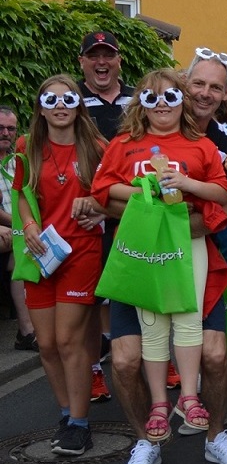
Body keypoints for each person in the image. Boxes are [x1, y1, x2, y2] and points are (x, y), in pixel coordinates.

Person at [92, 69, 227, 464]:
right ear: (139, 102)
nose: (161, 104)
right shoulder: (122, 145)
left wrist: (187, 201)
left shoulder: (201, 145)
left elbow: (221, 197)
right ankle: (147, 440)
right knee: (125, 361)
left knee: (215, 354)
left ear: (182, 101)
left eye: (170, 96)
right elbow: (103, 194)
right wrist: (150, 197)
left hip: (194, 260)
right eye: (151, 97)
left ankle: (216, 435)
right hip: (140, 260)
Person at [13, 76, 106, 455]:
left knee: (69, 340)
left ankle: (80, 425)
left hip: (82, 251)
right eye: (50, 99)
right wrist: (30, 223)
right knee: (47, 344)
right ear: (40, 107)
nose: (59, 105)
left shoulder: (97, 147)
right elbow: (21, 193)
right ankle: (67, 414)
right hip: (41, 254)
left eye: (67, 98)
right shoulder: (27, 146)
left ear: (78, 104)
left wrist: (98, 209)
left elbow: (113, 194)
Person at [77, 30, 134, 404]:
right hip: (84, 209)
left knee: (132, 286)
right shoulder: (72, 99)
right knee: (90, 297)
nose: (101, 62)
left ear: (118, 61)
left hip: (128, 207)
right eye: (93, 56)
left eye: (108, 55)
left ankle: (148, 359)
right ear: (81, 62)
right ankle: (95, 369)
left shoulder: (137, 99)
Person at [1, 105, 37, 352]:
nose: (6, 133)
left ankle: (33, 328)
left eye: (11, 128)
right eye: (0, 128)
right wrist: (16, 226)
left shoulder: (17, 162)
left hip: (16, 228)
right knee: (20, 251)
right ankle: (26, 331)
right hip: (9, 228)